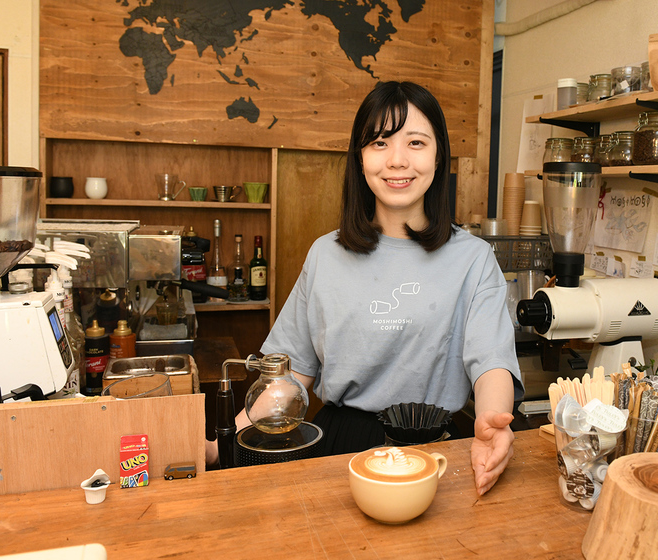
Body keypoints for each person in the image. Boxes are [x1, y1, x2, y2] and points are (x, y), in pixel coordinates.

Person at [209, 81, 523, 496]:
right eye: (379, 143)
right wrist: (224, 441)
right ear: (360, 158)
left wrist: (490, 424)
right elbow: (294, 375)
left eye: (415, 142)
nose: (397, 161)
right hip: (339, 450)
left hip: (436, 452)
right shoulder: (325, 254)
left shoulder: (474, 258)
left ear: (438, 154)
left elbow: (491, 365)